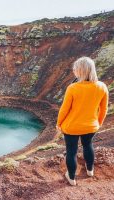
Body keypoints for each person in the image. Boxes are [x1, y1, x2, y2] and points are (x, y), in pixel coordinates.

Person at [56, 57, 109, 186]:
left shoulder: (73, 88)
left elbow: (64, 109)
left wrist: (58, 124)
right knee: (88, 145)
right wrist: (99, 123)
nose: (74, 71)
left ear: (80, 71)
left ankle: (71, 178)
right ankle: (90, 170)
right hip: (91, 126)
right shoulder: (102, 86)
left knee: (71, 151)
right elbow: (104, 109)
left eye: (75, 69)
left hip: (71, 127)